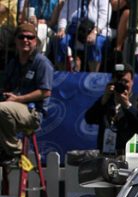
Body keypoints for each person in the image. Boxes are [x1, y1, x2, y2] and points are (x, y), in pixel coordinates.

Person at [84, 63, 138, 197]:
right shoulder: (105, 101)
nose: (123, 85)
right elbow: (89, 118)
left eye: (126, 82)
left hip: (128, 158)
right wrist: (103, 99)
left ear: (132, 82)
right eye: (119, 82)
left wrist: (127, 105)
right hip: (106, 157)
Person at [0, 22, 53, 167]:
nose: (26, 40)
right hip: (14, 108)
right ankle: (5, 150)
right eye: (22, 37)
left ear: (35, 41)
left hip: (33, 112)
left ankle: (15, 151)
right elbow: (6, 87)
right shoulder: (13, 62)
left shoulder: (42, 63)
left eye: (30, 37)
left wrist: (17, 99)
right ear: (16, 40)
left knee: (1, 109)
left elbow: (45, 91)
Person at [56, 0, 111, 72]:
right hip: (73, 30)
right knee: (62, 41)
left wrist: (94, 32)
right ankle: (63, 73)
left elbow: (104, 17)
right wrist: (62, 29)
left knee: (95, 43)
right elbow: (64, 14)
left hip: (97, 31)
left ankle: (93, 74)